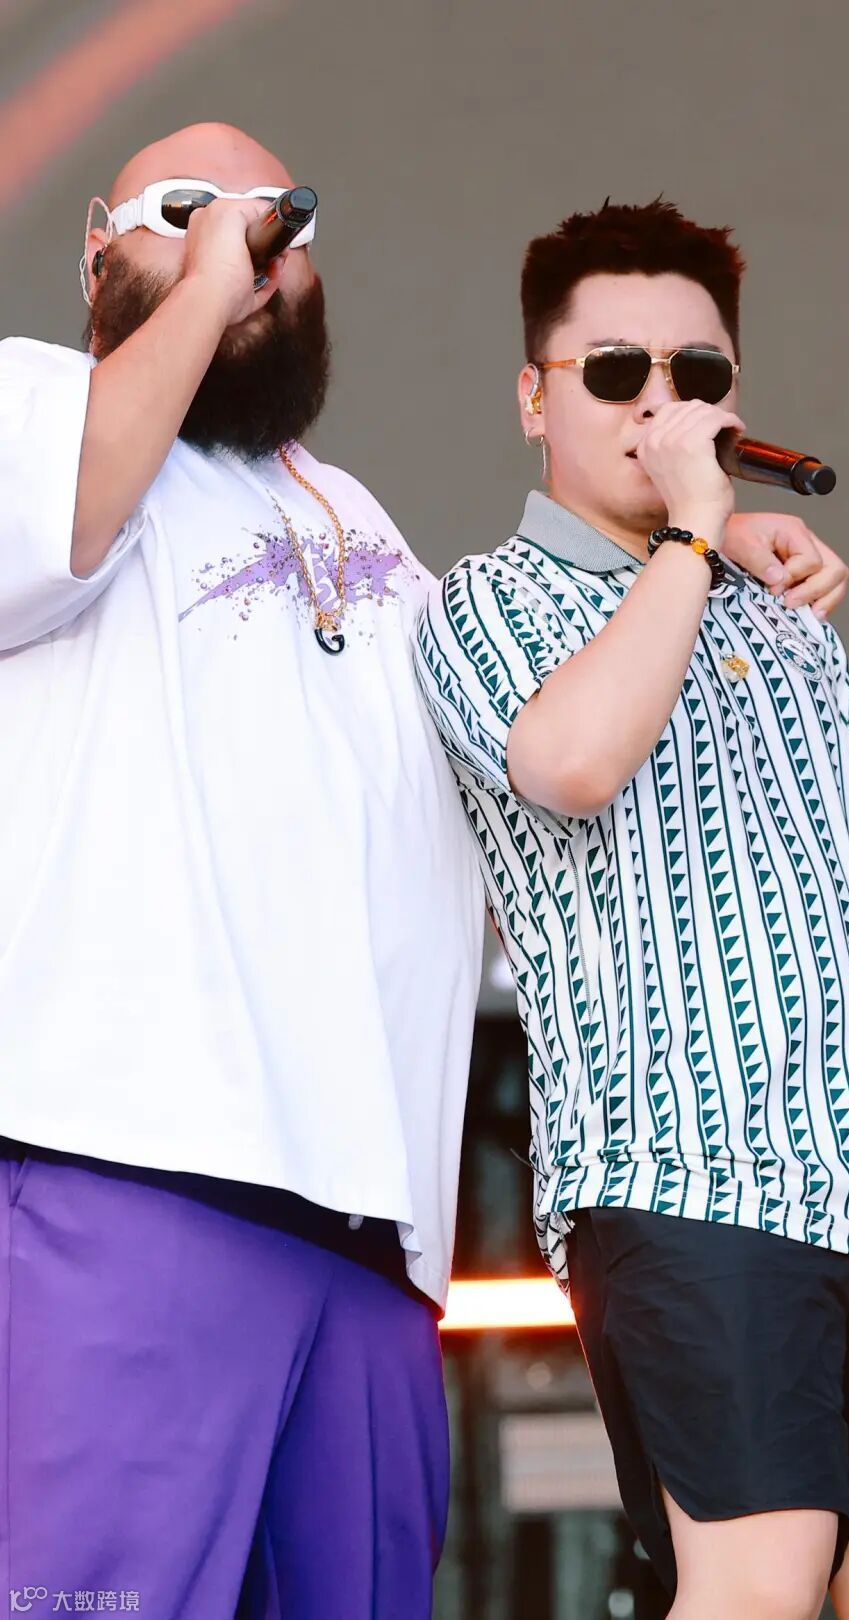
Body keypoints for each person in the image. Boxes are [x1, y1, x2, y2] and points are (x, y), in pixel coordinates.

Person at [413, 199, 849, 1620]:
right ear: (534, 399)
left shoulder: (783, 623)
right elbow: (572, 763)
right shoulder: (489, 602)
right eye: (616, 374)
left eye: (697, 375)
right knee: (755, 1588)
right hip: (683, 1183)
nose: (661, 408)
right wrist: (694, 540)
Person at [0, 121, 488, 1619]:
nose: (243, 236)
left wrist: (698, 568)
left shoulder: (366, 524)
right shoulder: (38, 399)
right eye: (186, 208)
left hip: (374, 1240)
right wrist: (215, 276)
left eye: (279, 220)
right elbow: (62, 519)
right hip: (129, 1172)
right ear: (98, 248)